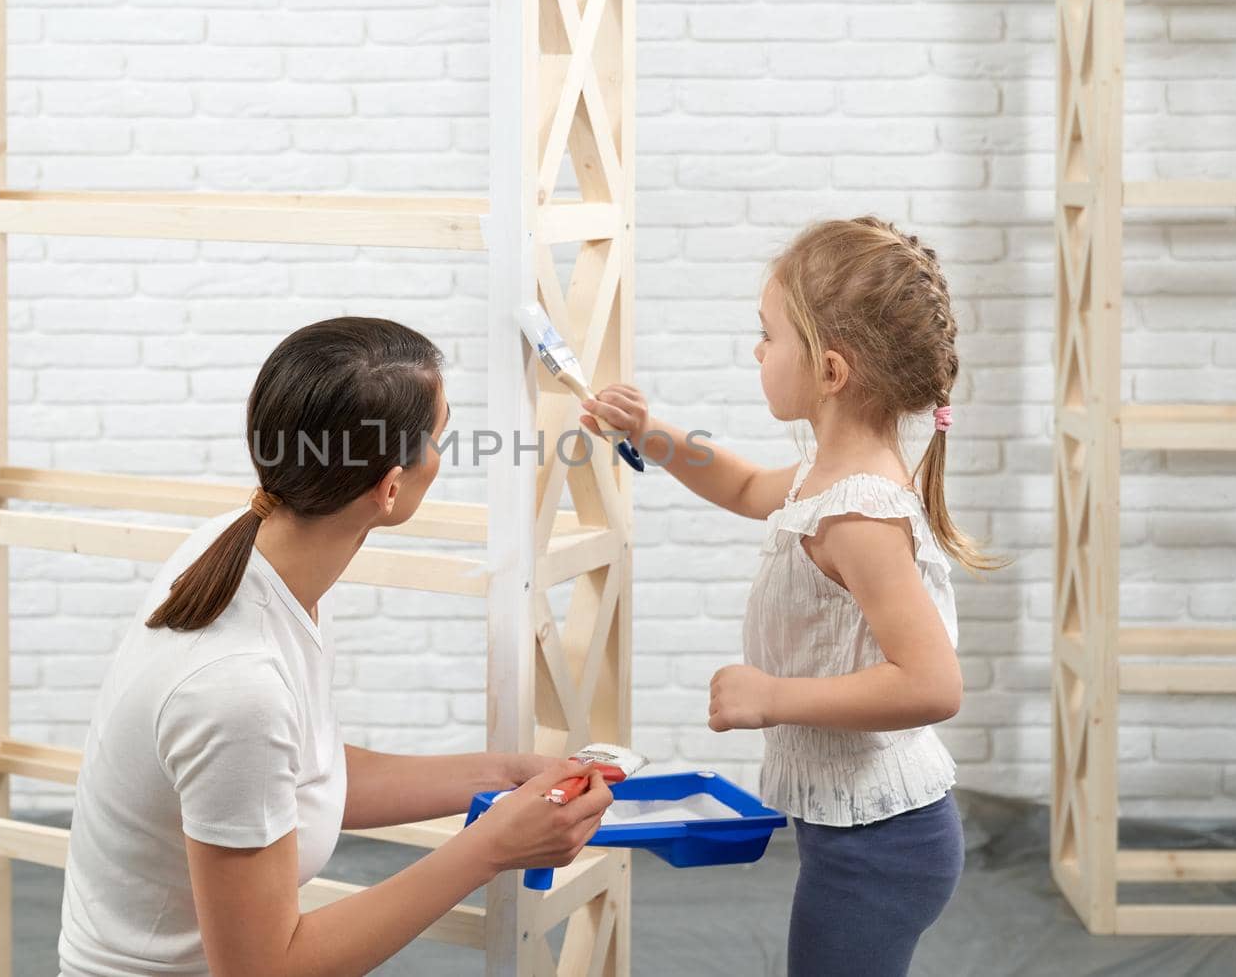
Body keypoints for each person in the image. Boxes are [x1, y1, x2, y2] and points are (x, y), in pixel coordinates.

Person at [59, 316, 612, 977]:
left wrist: (501, 778)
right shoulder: (237, 687)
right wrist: (490, 847)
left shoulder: (246, 557)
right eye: (438, 438)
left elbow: (292, 776)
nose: (444, 453)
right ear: (389, 489)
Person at [582, 218, 999, 977]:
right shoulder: (826, 482)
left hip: (885, 843)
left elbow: (932, 684)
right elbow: (743, 484)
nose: (757, 350)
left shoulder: (859, 514)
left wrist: (773, 694)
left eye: (768, 334)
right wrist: (650, 430)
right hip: (864, 832)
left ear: (831, 370)